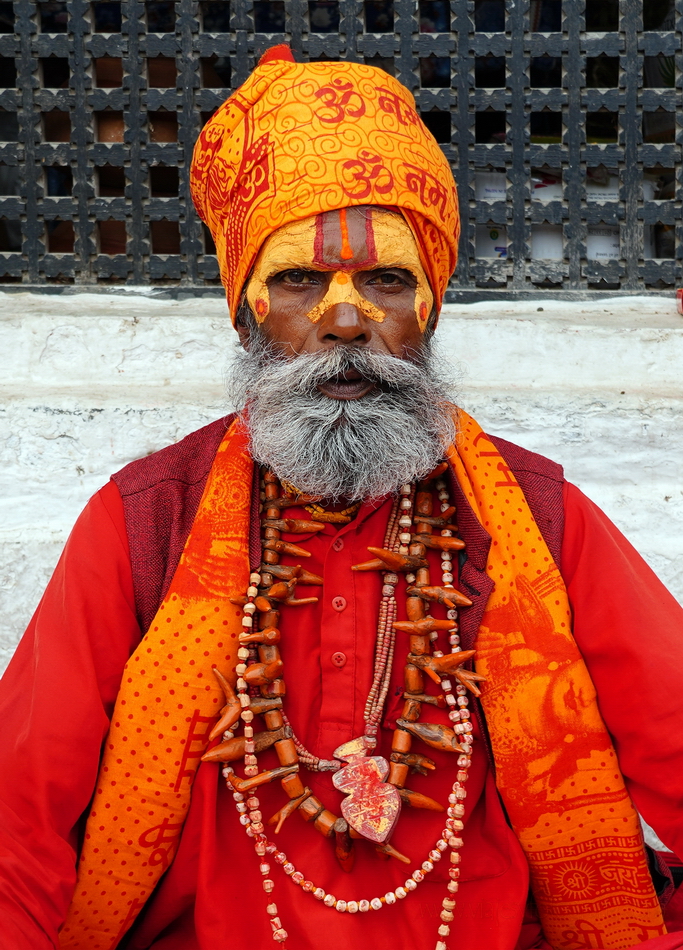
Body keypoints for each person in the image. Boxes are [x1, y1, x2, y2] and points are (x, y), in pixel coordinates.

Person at [1, 46, 682, 950]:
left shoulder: (535, 515)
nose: (346, 317)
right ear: (246, 313)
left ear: (428, 311)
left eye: (387, 282)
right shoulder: (147, 517)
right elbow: (18, 810)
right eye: (297, 281)